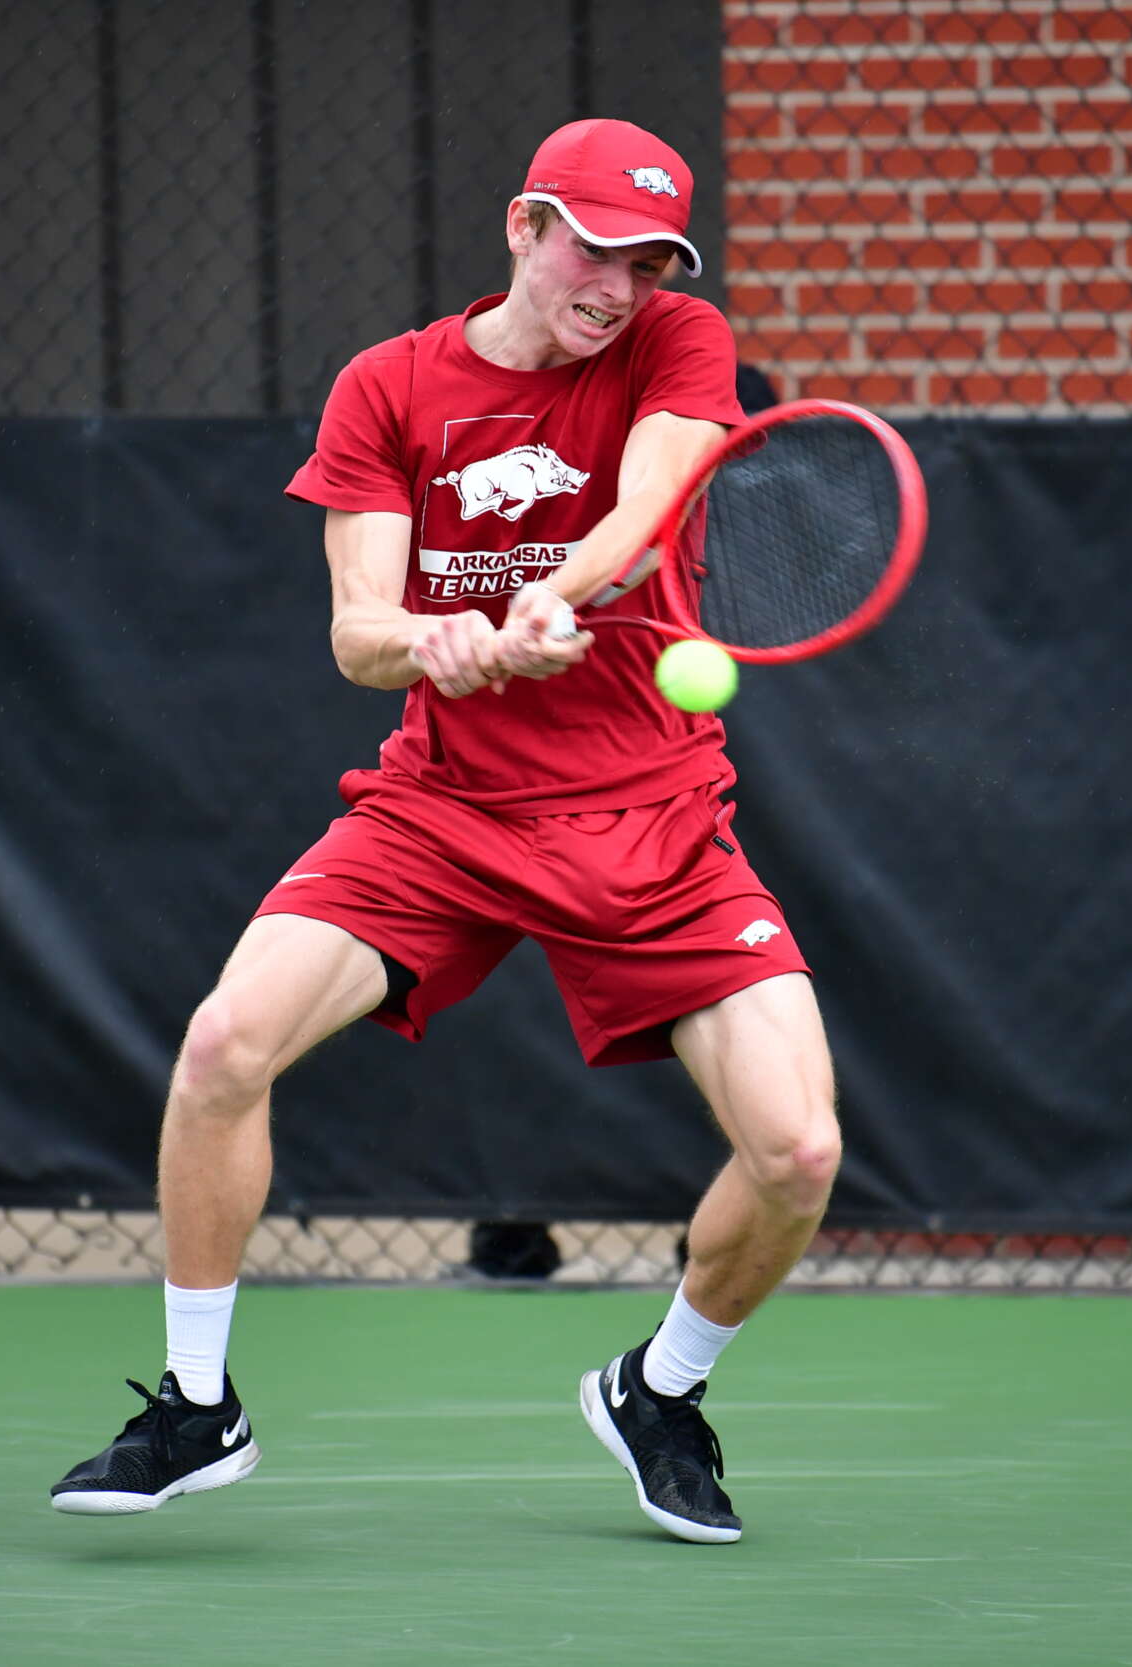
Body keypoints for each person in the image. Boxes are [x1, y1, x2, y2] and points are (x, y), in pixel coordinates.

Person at [49, 119, 840, 1546]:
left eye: (652, 259)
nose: (623, 283)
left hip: (650, 807)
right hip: (443, 812)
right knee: (225, 1046)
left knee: (797, 1154)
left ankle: (661, 1389)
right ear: (525, 225)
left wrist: (560, 596)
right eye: (599, 248)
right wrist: (436, 640)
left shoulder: (675, 345)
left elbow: (657, 495)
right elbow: (357, 632)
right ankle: (194, 1402)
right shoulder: (391, 388)